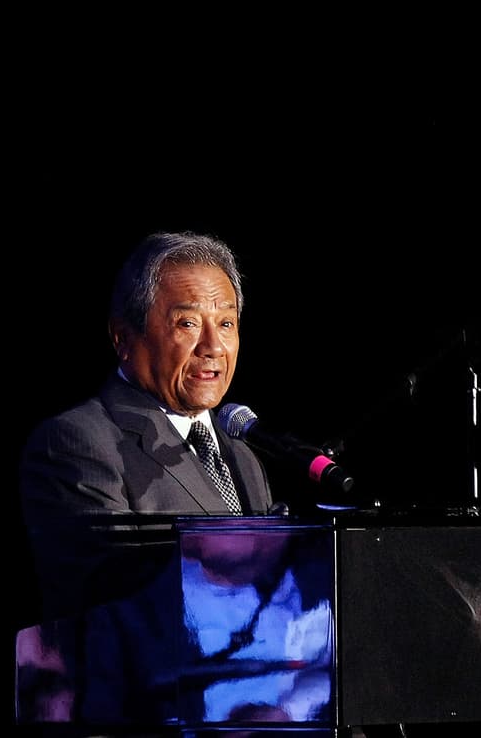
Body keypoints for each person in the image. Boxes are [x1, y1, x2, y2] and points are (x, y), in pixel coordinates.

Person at [18, 230, 286, 727]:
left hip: (249, 705)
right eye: (188, 323)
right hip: (145, 716)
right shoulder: (77, 442)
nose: (213, 346)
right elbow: (103, 606)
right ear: (123, 336)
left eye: (226, 323)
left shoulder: (244, 456)